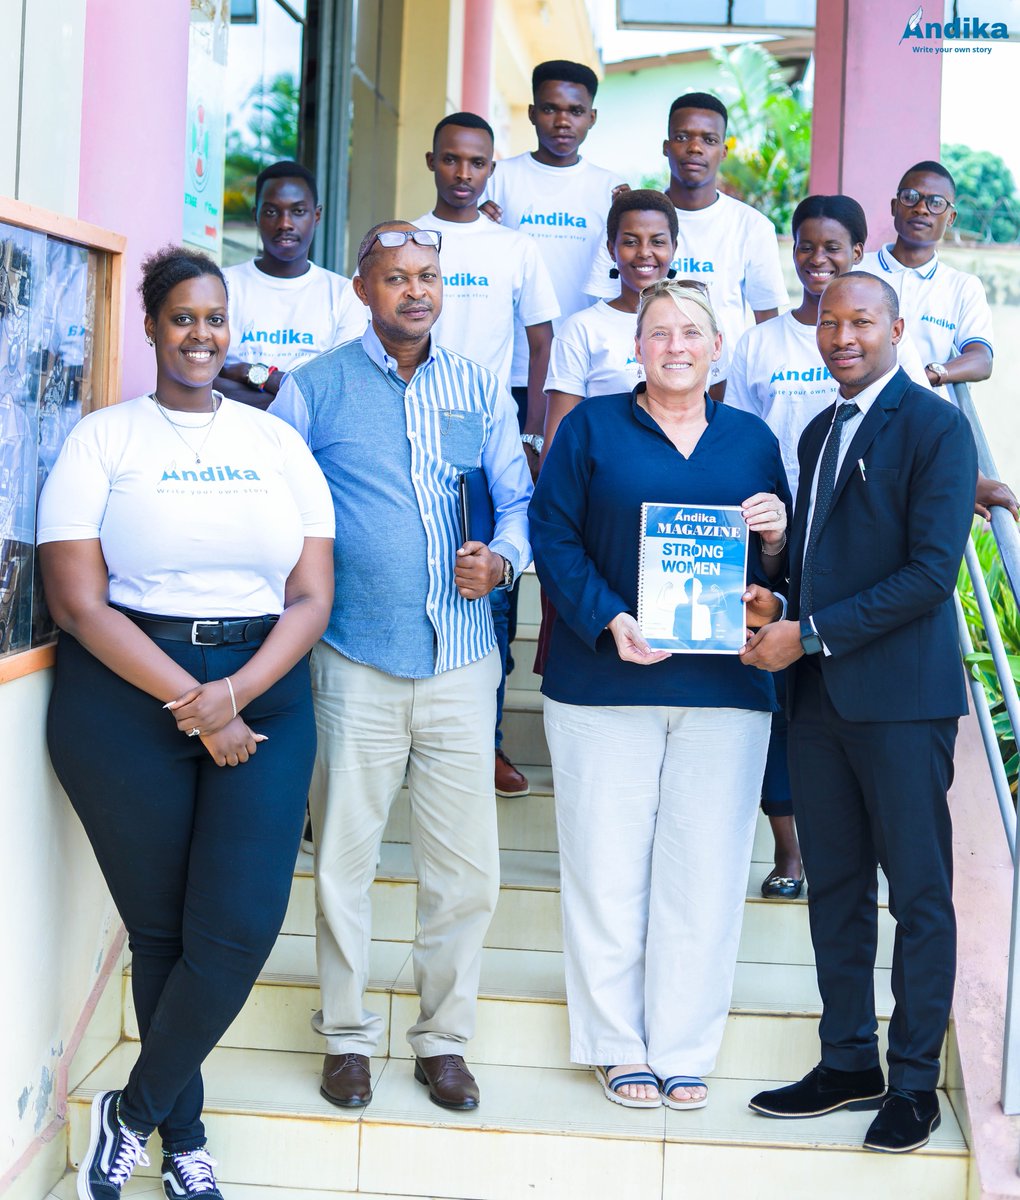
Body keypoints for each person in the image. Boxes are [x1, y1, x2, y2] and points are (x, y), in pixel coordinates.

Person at [38, 246, 335, 1200]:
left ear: (229, 328)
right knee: (162, 932)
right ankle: (186, 1137)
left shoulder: (277, 444)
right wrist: (196, 706)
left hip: (263, 690)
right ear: (152, 327)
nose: (200, 335)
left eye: (214, 319)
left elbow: (311, 596)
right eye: (182, 318)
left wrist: (233, 697)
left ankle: (130, 1114)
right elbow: (78, 602)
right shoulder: (102, 440)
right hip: (125, 697)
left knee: (239, 929)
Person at [269, 221, 533, 1113]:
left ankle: (443, 1041)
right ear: (362, 288)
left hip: (462, 660)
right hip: (355, 658)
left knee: (467, 874)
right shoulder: (314, 387)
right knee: (343, 863)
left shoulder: (477, 384)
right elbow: (275, 506)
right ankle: (346, 1037)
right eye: (396, 277)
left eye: (428, 276)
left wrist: (503, 558)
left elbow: (518, 499)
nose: (416, 291)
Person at [529, 279, 789, 1111]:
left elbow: (777, 567)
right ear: (635, 348)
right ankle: (615, 1044)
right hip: (604, 683)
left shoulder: (752, 438)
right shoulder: (591, 427)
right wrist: (608, 617)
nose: (676, 346)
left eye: (692, 332)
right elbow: (551, 533)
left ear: (718, 348)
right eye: (660, 332)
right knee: (605, 869)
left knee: (705, 874)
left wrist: (775, 544)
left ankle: (682, 1048)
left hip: (725, 689)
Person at [741, 272, 978, 1154]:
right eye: (830, 322)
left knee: (918, 894)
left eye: (862, 322)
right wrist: (777, 598)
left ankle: (913, 1083)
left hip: (901, 702)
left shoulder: (936, 427)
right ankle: (848, 1061)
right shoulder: (817, 430)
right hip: (818, 701)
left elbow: (930, 574)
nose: (842, 336)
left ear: (898, 328)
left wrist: (808, 634)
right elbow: (822, 564)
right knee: (836, 888)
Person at [727, 194, 931, 899]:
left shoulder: (910, 387)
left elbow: (924, 448)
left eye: (833, 248)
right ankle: (791, 852)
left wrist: (973, 484)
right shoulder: (776, 365)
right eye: (805, 247)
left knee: (913, 884)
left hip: (864, 586)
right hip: (778, 543)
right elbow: (739, 438)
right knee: (779, 703)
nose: (818, 260)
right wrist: (768, 563)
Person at [414, 111, 559, 799]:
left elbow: (541, 342)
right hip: (412, 425)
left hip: (485, 434)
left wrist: (531, 435)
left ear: (491, 169)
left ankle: (487, 742)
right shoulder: (407, 239)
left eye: (476, 162)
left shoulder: (514, 247)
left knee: (491, 588)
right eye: (450, 159)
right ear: (431, 162)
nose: (462, 173)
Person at [586, 92, 788, 399]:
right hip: (634, 385)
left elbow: (767, 326)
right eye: (682, 137)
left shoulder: (752, 226)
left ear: (723, 151)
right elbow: (603, 311)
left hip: (724, 392)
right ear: (666, 147)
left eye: (709, 139)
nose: (695, 147)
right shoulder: (635, 220)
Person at [482, 60, 625, 428]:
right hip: (513, 365)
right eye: (550, 109)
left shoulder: (611, 188)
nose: (563, 121)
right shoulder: (498, 179)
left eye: (575, 111)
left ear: (592, 117)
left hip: (587, 364)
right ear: (532, 113)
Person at [215, 161, 366, 409]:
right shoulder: (222, 286)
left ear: (316, 216)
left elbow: (340, 391)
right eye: (271, 212)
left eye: (298, 211)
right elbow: (206, 383)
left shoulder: (344, 295)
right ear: (256, 216)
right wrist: (299, 398)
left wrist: (254, 374)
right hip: (231, 430)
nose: (285, 223)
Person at [542, 189, 679, 454]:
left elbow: (712, 425)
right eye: (630, 242)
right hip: (602, 475)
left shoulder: (698, 325)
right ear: (610, 249)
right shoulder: (581, 329)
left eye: (657, 242)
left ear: (674, 247)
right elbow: (558, 443)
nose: (644, 252)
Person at [859, 160, 993, 390]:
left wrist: (926, 376)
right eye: (910, 197)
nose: (921, 208)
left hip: (930, 409)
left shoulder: (963, 287)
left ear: (951, 218)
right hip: (859, 406)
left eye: (936, 203)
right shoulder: (857, 271)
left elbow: (982, 360)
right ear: (894, 206)